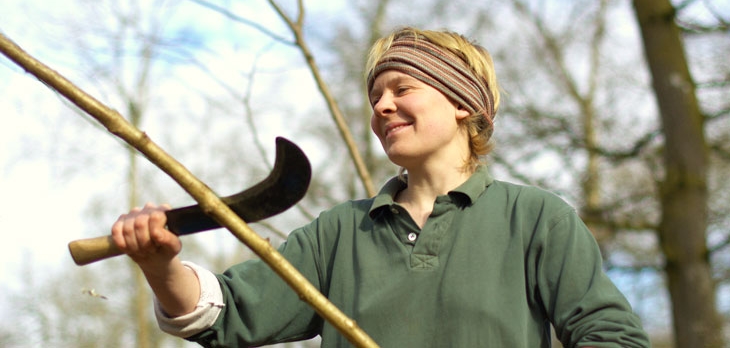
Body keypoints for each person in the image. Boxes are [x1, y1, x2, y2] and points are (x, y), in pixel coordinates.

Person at [112, 26, 650, 347]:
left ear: (462, 103)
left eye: (401, 87)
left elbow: (611, 336)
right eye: (375, 97)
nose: (382, 106)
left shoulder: (535, 219)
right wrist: (161, 267)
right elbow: (228, 313)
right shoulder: (339, 234)